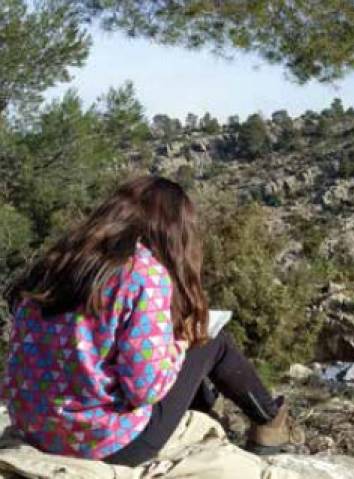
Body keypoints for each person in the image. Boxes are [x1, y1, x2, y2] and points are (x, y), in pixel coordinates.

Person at [2, 176, 292, 465]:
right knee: (210, 339)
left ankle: (217, 419)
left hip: (34, 431)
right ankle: (269, 422)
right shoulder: (141, 272)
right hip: (106, 445)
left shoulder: (57, 261)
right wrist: (179, 342)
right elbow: (144, 389)